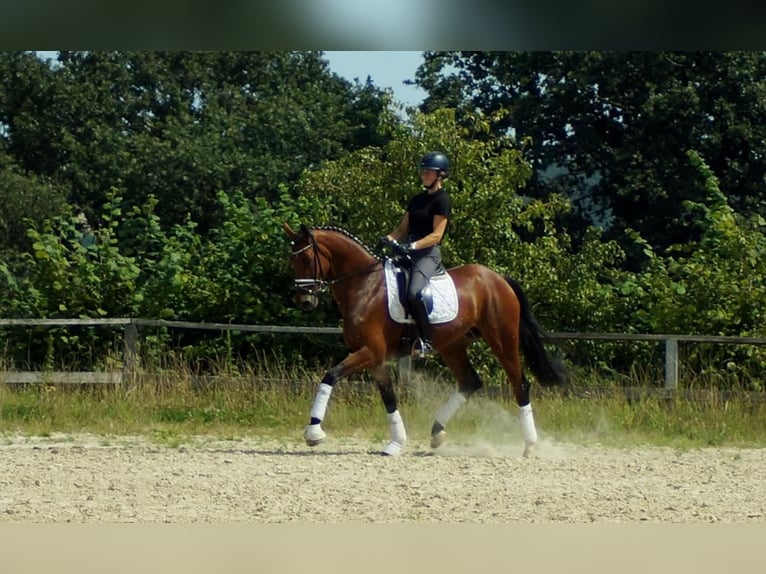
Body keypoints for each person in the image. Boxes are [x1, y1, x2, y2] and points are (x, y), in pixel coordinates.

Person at [383, 151, 452, 358]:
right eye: (423, 171)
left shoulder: (442, 200)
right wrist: (388, 238)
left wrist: (411, 246)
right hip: (410, 252)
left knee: (414, 293)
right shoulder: (416, 200)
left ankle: (426, 342)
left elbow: (436, 236)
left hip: (428, 255)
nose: (424, 174)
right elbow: (402, 229)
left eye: (428, 171)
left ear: (440, 175)